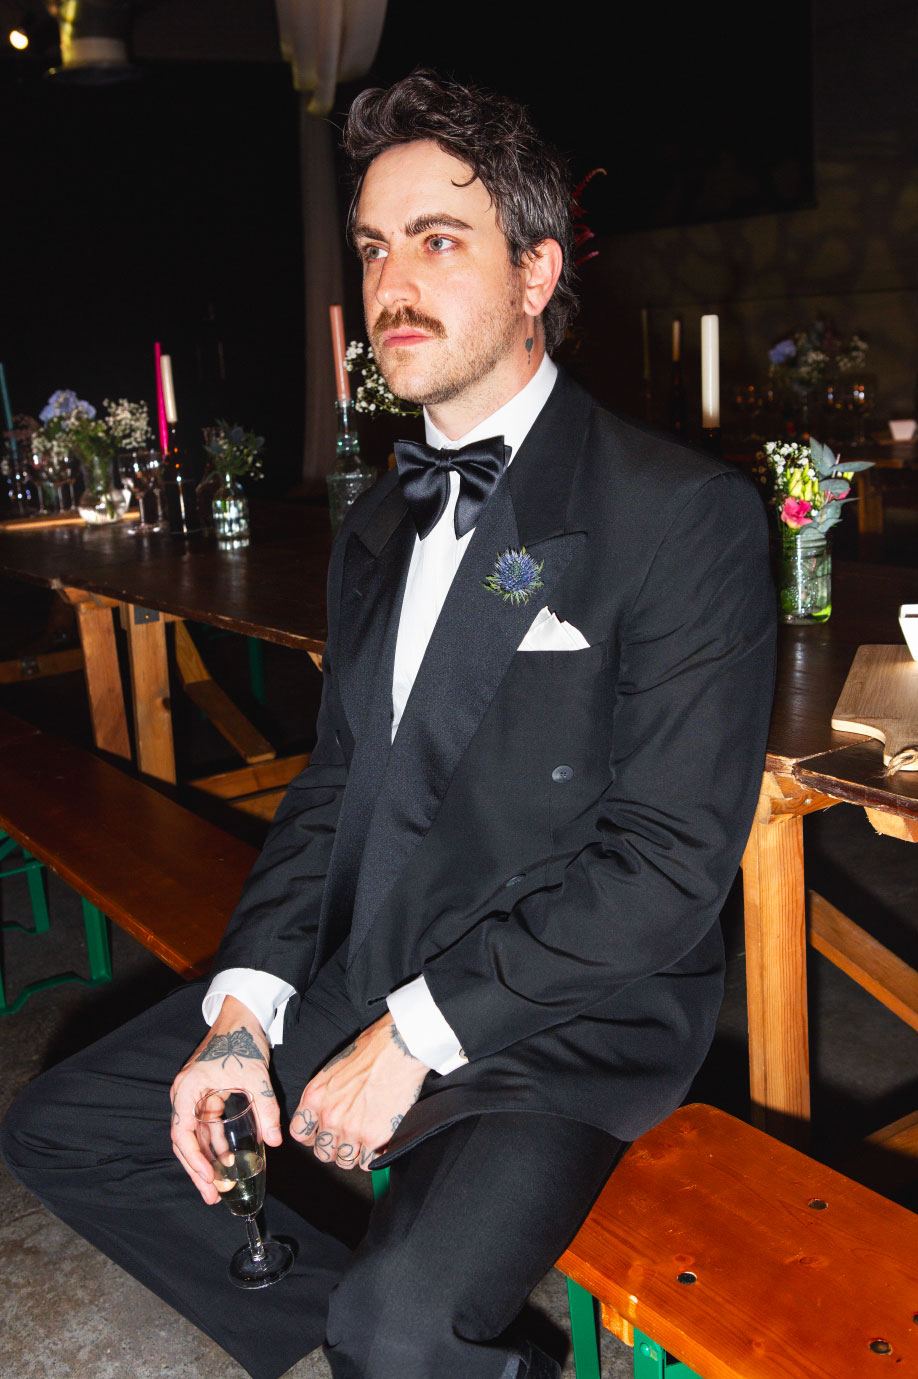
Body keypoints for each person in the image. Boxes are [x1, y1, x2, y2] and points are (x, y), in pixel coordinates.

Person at [2, 71, 776, 1379]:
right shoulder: (383, 522)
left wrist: (409, 1040)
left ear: (536, 275)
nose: (392, 282)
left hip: (556, 1015)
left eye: (438, 239)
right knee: (68, 1131)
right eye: (373, 247)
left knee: (402, 1322)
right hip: (368, 962)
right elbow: (336, 788)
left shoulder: (678, 516)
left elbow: (662, 874)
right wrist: (247, 1011)